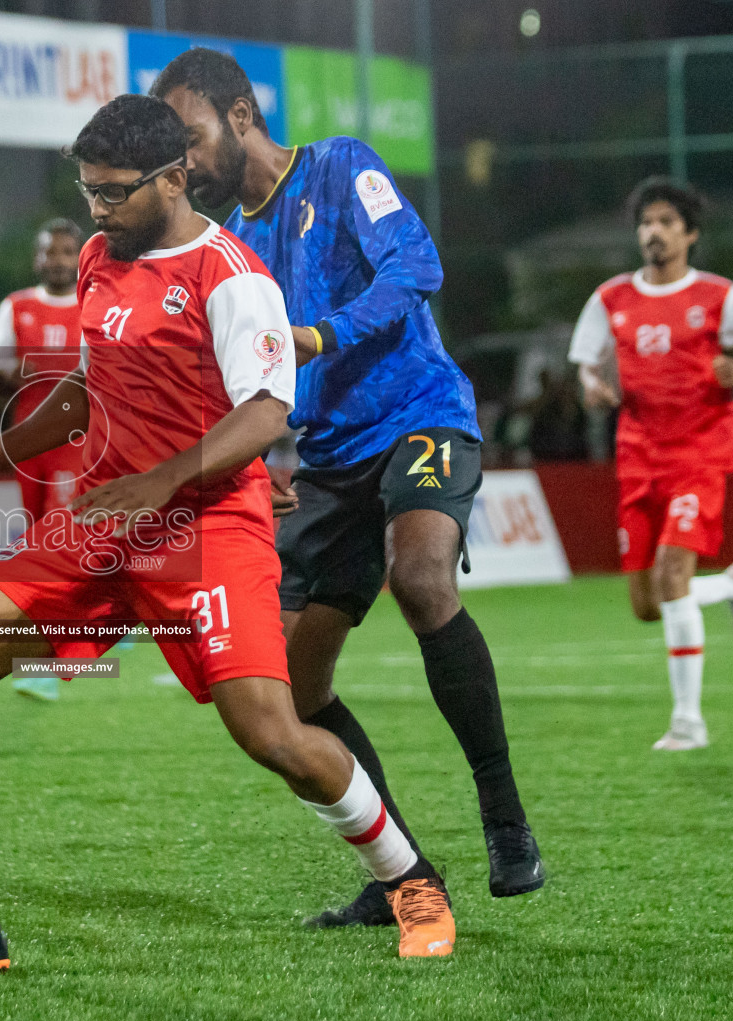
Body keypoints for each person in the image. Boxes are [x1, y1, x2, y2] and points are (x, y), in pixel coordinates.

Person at [0, 95, 456, 974]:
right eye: (87, 190)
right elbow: (87, 390)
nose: (95, 212)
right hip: (102, 522)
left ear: (173, 178)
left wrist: (160, 483)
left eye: (113, 192)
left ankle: (411, 880)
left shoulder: (232, 275)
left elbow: (266, 412)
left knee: (272, 736)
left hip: (207, 526)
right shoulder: (103, 256)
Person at [153, 49, 544, 929]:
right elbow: (236, 388)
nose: (185, 165)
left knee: (421, 577)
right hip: (329, 463)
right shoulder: (230, 250)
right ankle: (404, 873)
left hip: (420, 418)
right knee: (285, 689)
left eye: (191, 138)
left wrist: (320, 335)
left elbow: (416, 267)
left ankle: (506, 820)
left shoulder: (342, 166)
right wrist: (253, 470)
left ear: (241, 116)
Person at [569, 178, 733, 751]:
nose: (654, 231)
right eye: (647, 222)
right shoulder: (610, 300)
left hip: (701, 452)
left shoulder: (725, 300)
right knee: (647, 606)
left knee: (672, 576)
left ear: (689, 234)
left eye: (667, 221)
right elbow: (587, 366)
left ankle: (688, 722)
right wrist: (594, 384)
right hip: (638, 457)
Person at [0, 217, 87, 700]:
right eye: (50, 252)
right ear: (37, 257)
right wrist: (19, 368)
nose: (57, 260)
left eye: (66, 252)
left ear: (80, 257)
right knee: (36, 538)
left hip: (79, 444)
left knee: (61, 538)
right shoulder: (17, 306)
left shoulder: (95, 304)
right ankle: (76, 636)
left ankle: (54, 659)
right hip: (27, 447)